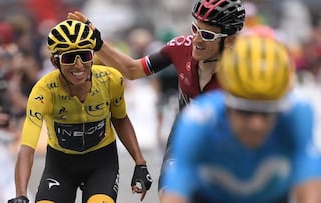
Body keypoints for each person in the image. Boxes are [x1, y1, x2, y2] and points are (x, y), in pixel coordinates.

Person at [67, 0, 246, 194]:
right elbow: (132, 70)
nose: (197, 39)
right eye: (195, 29)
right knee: (169, 195)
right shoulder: (180, 47)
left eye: (207, 34)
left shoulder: (242, 71)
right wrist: (98, 43)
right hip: (184, 139)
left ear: (230, 40)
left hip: (224, 146)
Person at [160, 35, 321, 203]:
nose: (256, 124)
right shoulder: (199, 120)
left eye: (267, 112)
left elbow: (309, 181)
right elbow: (177, 186)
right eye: (246, 111)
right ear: (226, 102)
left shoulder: (297, 114)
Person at [8, 19, 152, 203]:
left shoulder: (111, 79)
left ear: (92, 56)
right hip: (60, 166)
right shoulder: (43, 91)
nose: (78, 65)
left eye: (84, 55)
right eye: (69, 58)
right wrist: (20, 194)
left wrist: (140, 162)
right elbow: (27, 148)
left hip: (101, 163)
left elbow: (120, 119)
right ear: (54, 61)